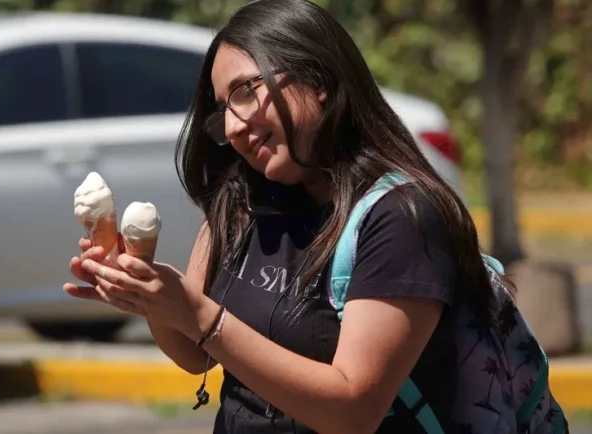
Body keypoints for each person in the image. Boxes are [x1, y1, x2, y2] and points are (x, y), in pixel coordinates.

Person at [64, 1, 567, 433]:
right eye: (222, 110)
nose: (234, 125)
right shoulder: (239, 204)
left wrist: (200, 315)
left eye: (246, 91)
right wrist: (149, 295)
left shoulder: (401, 218)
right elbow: (197, 353)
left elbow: (354, 410)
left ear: (317, 79)